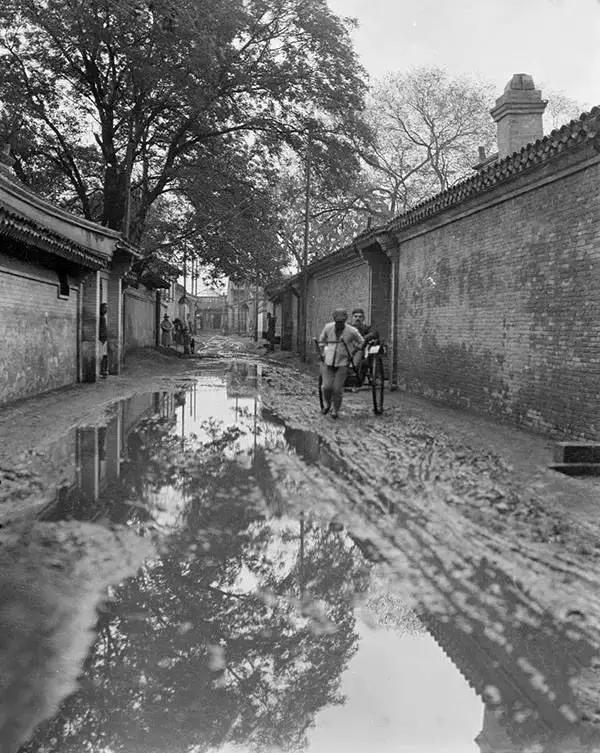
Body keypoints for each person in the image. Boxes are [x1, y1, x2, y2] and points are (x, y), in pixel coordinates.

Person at [318, 308, 363, 419]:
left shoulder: (351, 331)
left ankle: (335, 409)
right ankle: (328, 404)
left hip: (343, 363)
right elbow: (321, 340)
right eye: (337, 322)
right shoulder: (328, 328)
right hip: (328, 362)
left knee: (337, 389)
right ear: (334, 320)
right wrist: (323, 352)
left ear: (345, 320)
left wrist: (355, 350)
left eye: (341, 322)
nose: (339, 324)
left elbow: (361, 342)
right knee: (326, 387)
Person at [350, 308, 380, 385]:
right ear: (352, 317)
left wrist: (363, 339)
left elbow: (374, 333)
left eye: (360, 317)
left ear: (363, 318)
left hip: (359, 351)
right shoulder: (347, 328)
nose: (357, 319)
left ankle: (353, 372)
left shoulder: (366, 328)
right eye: (355, 316)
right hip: (345, 349)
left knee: (360, 354)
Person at [99, 302, 108, 378]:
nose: (106, 310)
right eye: (105, 308)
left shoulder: (103, 318)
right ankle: (102, 371)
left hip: (104, 339)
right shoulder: (101, 318)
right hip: (101, 339)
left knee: (104, 355)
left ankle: (104, 371)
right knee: (102, 355)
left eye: (106, 308)